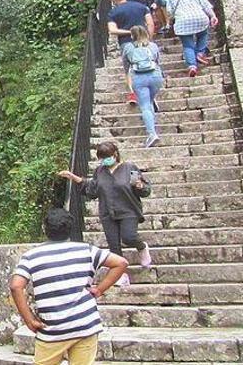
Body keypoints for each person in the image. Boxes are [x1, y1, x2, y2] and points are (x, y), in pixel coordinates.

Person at [10, 208, 129, 365]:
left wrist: (29, 319)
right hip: (85, 325)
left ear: (44, 229)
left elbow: (15, 286)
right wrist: (99, 289)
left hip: (52, 329)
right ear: (70, 229)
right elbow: (121, 263)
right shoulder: (87, 250)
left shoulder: (31, 256)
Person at [57, 142, 152, 285]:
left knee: (129, 237)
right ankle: (120, 275)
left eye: (107, 157)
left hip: (128, 210)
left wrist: (140, 186)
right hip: (108, 212)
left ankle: (142, 247)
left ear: (115, 154)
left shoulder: (129, 168)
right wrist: (74, 178)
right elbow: (92, 190)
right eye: (102, 158)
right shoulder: (100, 171)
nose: (104, 161)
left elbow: (143, 189)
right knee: (114, 246)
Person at [119, 26, 165, 147]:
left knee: (144, 106)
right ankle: (152, 114)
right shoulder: (153, 46)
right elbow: (157, 60)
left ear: (132, 36)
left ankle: (152, 134)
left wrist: (128, 80)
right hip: (155, 76)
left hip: (139, 78)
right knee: (149, 101)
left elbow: (126, 65)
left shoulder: (128, 47)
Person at [107, 0, 154, 106]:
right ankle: (150, 89)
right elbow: (150, 23)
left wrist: (129, 32)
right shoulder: (141, 7)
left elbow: (112, 30)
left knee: (129, 69)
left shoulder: (113, 12)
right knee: (148, 62)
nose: (113, 3)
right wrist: (149, 38)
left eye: (113, 1)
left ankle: (133, 93)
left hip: (126, 42)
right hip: (143, 40)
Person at [167, 0, 217, 77]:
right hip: (199, 18)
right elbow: (206, 5)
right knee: (203, 34)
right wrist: (213, 16)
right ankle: (199, 52)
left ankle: (192, 66)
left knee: (187, 45)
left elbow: (170, 11)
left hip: (182, 21)